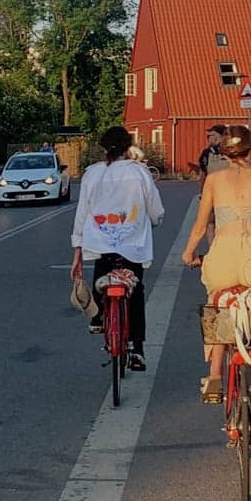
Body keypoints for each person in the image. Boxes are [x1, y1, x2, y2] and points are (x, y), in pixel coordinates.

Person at [182, 125, 251, 458]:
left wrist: (188, 253)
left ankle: (214, 373)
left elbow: (201, 223)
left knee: (218, 306)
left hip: (223, 255)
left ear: (225, 154)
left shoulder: (213, 180)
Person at [71, 126, 164, 371]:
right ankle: (138, 349)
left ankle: (99, 317)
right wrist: (154, 219)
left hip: (99, 242)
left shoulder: (92, 174)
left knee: (102, 274)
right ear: (127, 146)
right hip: (133, 244)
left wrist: (77, 248)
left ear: (103, 147)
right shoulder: (140, 173)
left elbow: (82, 212)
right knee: (136, 290)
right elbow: (154, 208)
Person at [197, 124, 228, 189]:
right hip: (212, 190)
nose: (209, 138)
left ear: (222, 137)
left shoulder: (233, 153)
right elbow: (203, 174)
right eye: (208, 136)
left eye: (213, 135)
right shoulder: (207, 153)